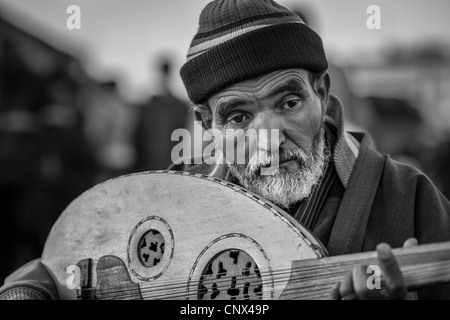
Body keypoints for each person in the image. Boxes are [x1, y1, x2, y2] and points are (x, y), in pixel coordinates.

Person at [1, 0, 450, 300]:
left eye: (289, 102)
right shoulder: (178, 206)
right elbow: (52, 270)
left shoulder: (408, 197)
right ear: (207, 126)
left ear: (323, 94)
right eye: (238, 118)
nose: (268, 136)